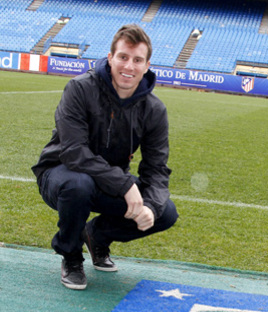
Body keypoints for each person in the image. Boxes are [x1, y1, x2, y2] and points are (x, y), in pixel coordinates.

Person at [32, 24, 178, 290]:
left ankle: (96, 235)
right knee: (78, 184)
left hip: (107, 181)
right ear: (110, 58)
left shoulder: (154, 110)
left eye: (137, 60)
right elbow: (74, 152)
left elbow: (157, 170)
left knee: (166, 212)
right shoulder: (79, 89)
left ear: (147, 66)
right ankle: (71, 256)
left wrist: (150, 208)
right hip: (60, 173)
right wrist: (125, 185)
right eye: (123, 57)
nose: (129, 66)